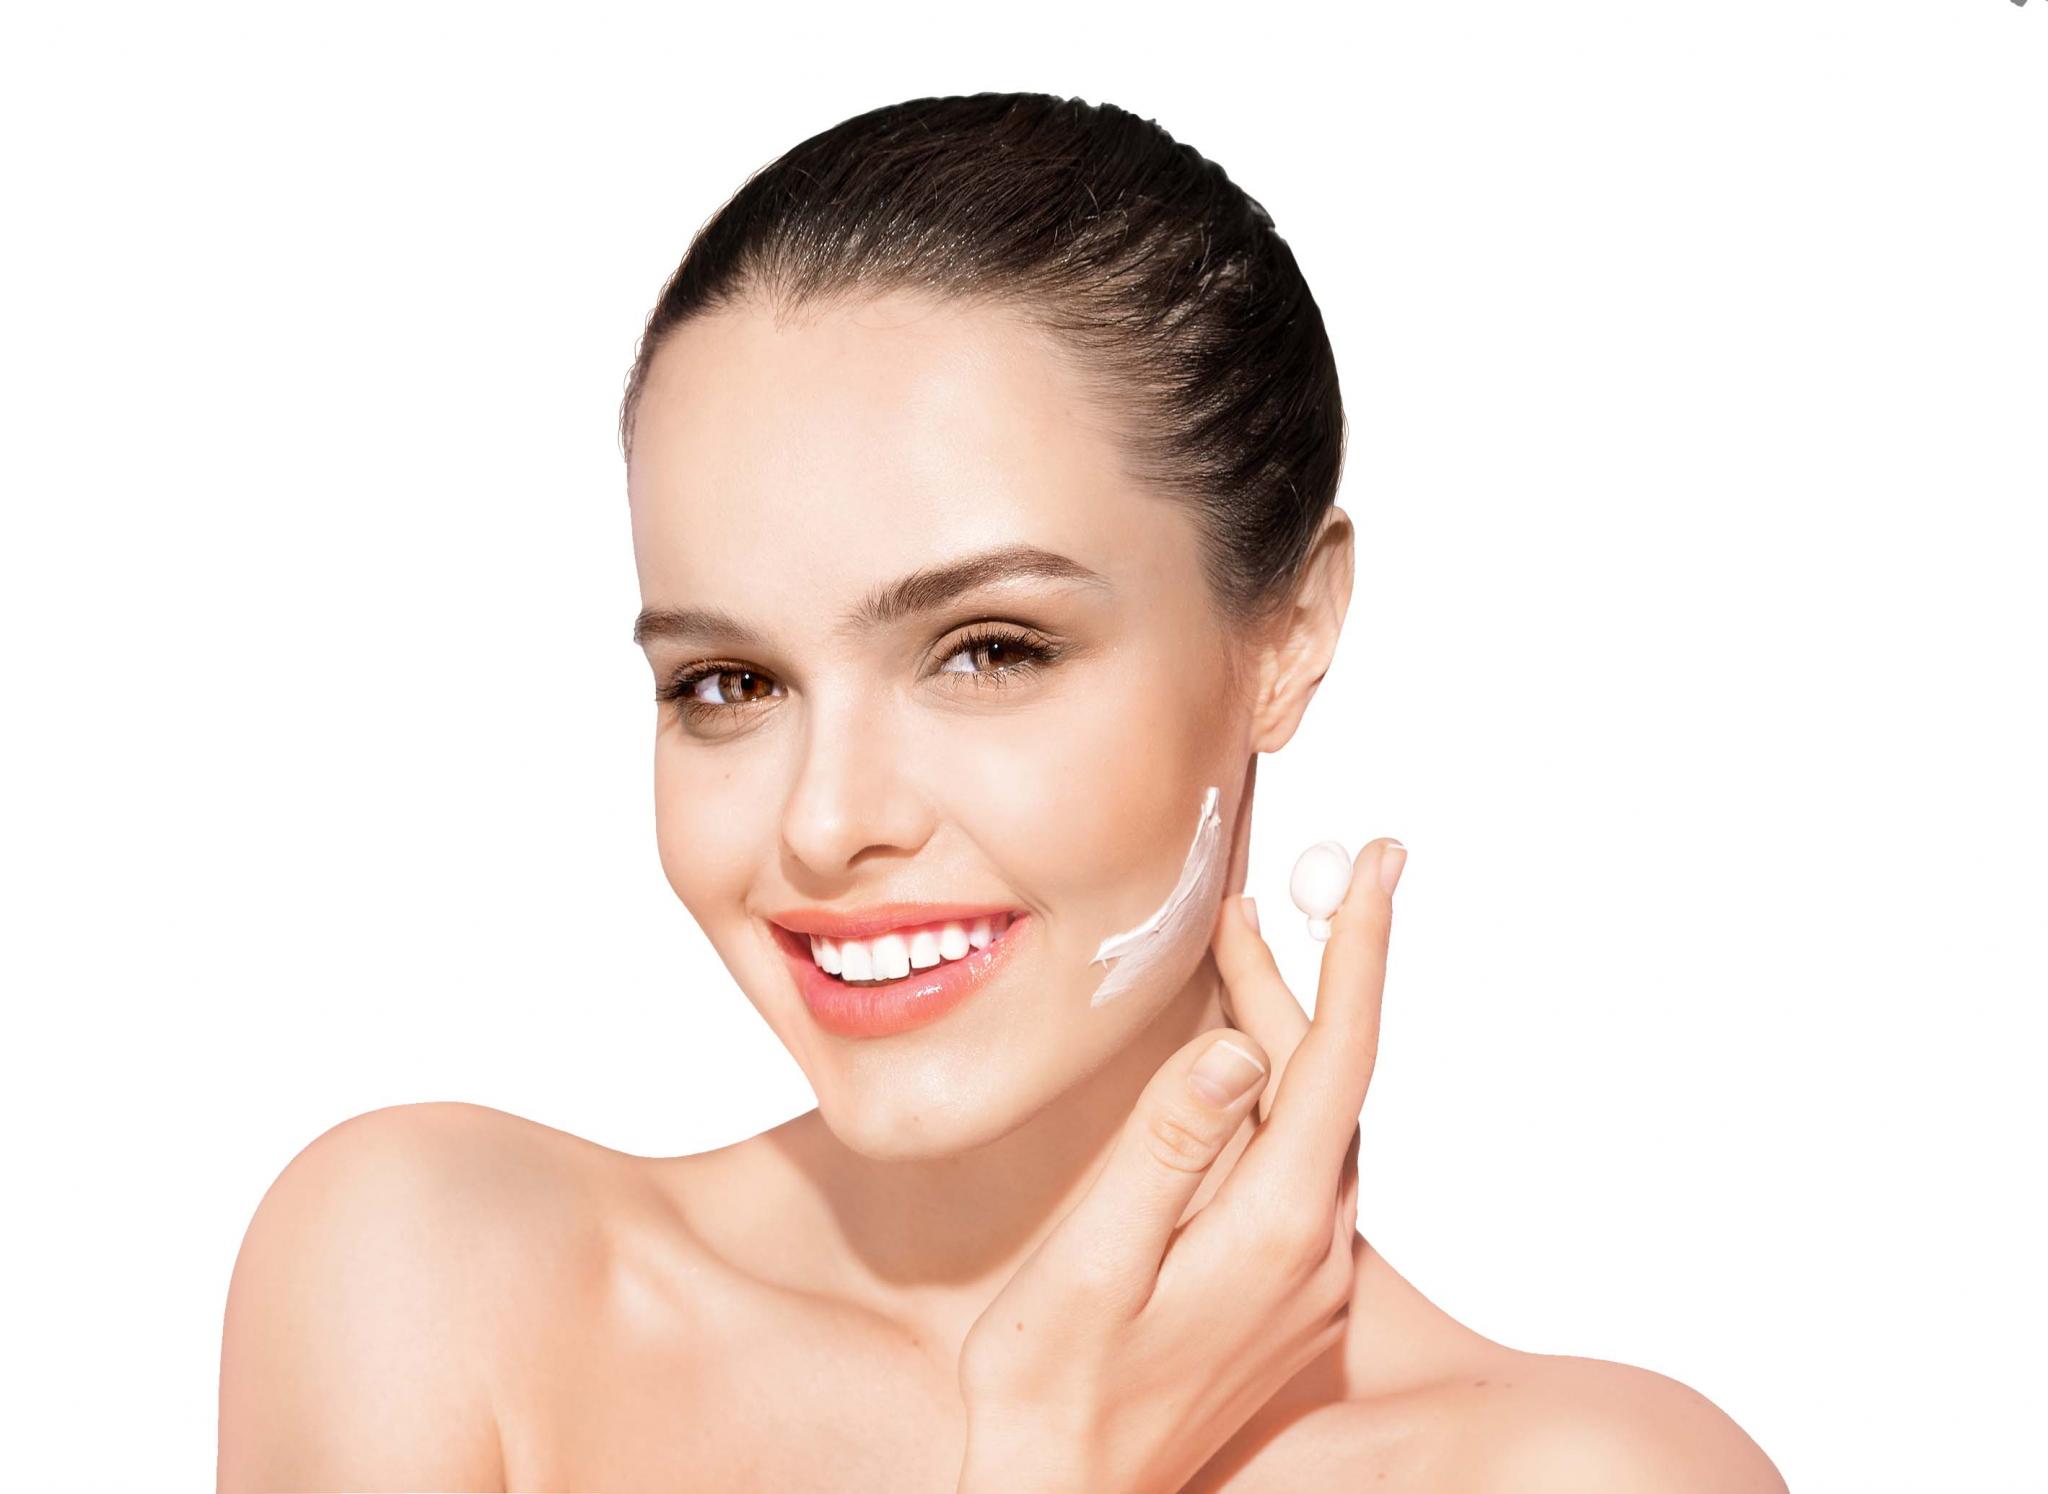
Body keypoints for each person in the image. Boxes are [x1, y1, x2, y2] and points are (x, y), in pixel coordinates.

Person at [218, 92, 1785, 1492]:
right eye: (731, 682)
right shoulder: (435, 1287)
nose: (824, 821)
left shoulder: (1591, 1475)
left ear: (1288, 636)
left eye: (987, 650)